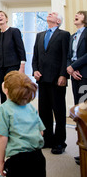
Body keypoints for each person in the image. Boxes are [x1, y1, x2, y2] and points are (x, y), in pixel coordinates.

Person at [0, 71, 46, 177]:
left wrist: (1, 162)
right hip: (38, 158)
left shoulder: (4, 109)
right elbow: (41, 132)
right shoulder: (31, 107)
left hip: (18, 161)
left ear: (6, 90)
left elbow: (2, 138)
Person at [32, 12, 70, 154]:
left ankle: (60, 142)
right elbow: (35, 55)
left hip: (57, 80)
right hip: (42, 79)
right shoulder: (40, 35)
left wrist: (63, 75)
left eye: (53, 14)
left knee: (59, 112)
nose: (50, 14)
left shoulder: (64, 35)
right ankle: (47, 139)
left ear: (58, 20)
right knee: (44, 111)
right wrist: (34, 70)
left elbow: (66, 56)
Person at [66, 11, 87, 166]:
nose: (76, 16)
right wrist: (70, 68)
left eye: (79, 14)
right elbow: (69, 55)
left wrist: (74, 66)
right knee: (79, 111)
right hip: (74, 75)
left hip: (84, 75)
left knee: (85, 112)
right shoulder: (73, 35)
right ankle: (82, 148)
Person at [0, 11, 26, 103]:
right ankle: (5, 115)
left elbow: (21, 50)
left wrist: (22, 68)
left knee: (12, 93)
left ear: (6, 19)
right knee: (3, 93)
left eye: (2, 15)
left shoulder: (14, 31)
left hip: (13, 67)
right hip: (0, 68)